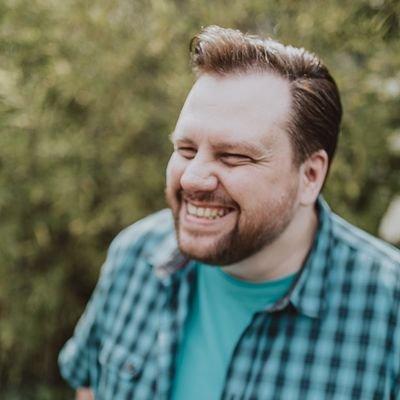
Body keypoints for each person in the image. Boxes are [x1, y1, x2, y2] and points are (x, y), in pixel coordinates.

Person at [59, 26, 400, 400]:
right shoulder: (133, 256)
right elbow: (89, 387)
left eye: (233, 156)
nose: (192, 178)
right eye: (186, 150)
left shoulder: (390, 309)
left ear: (310, 175)